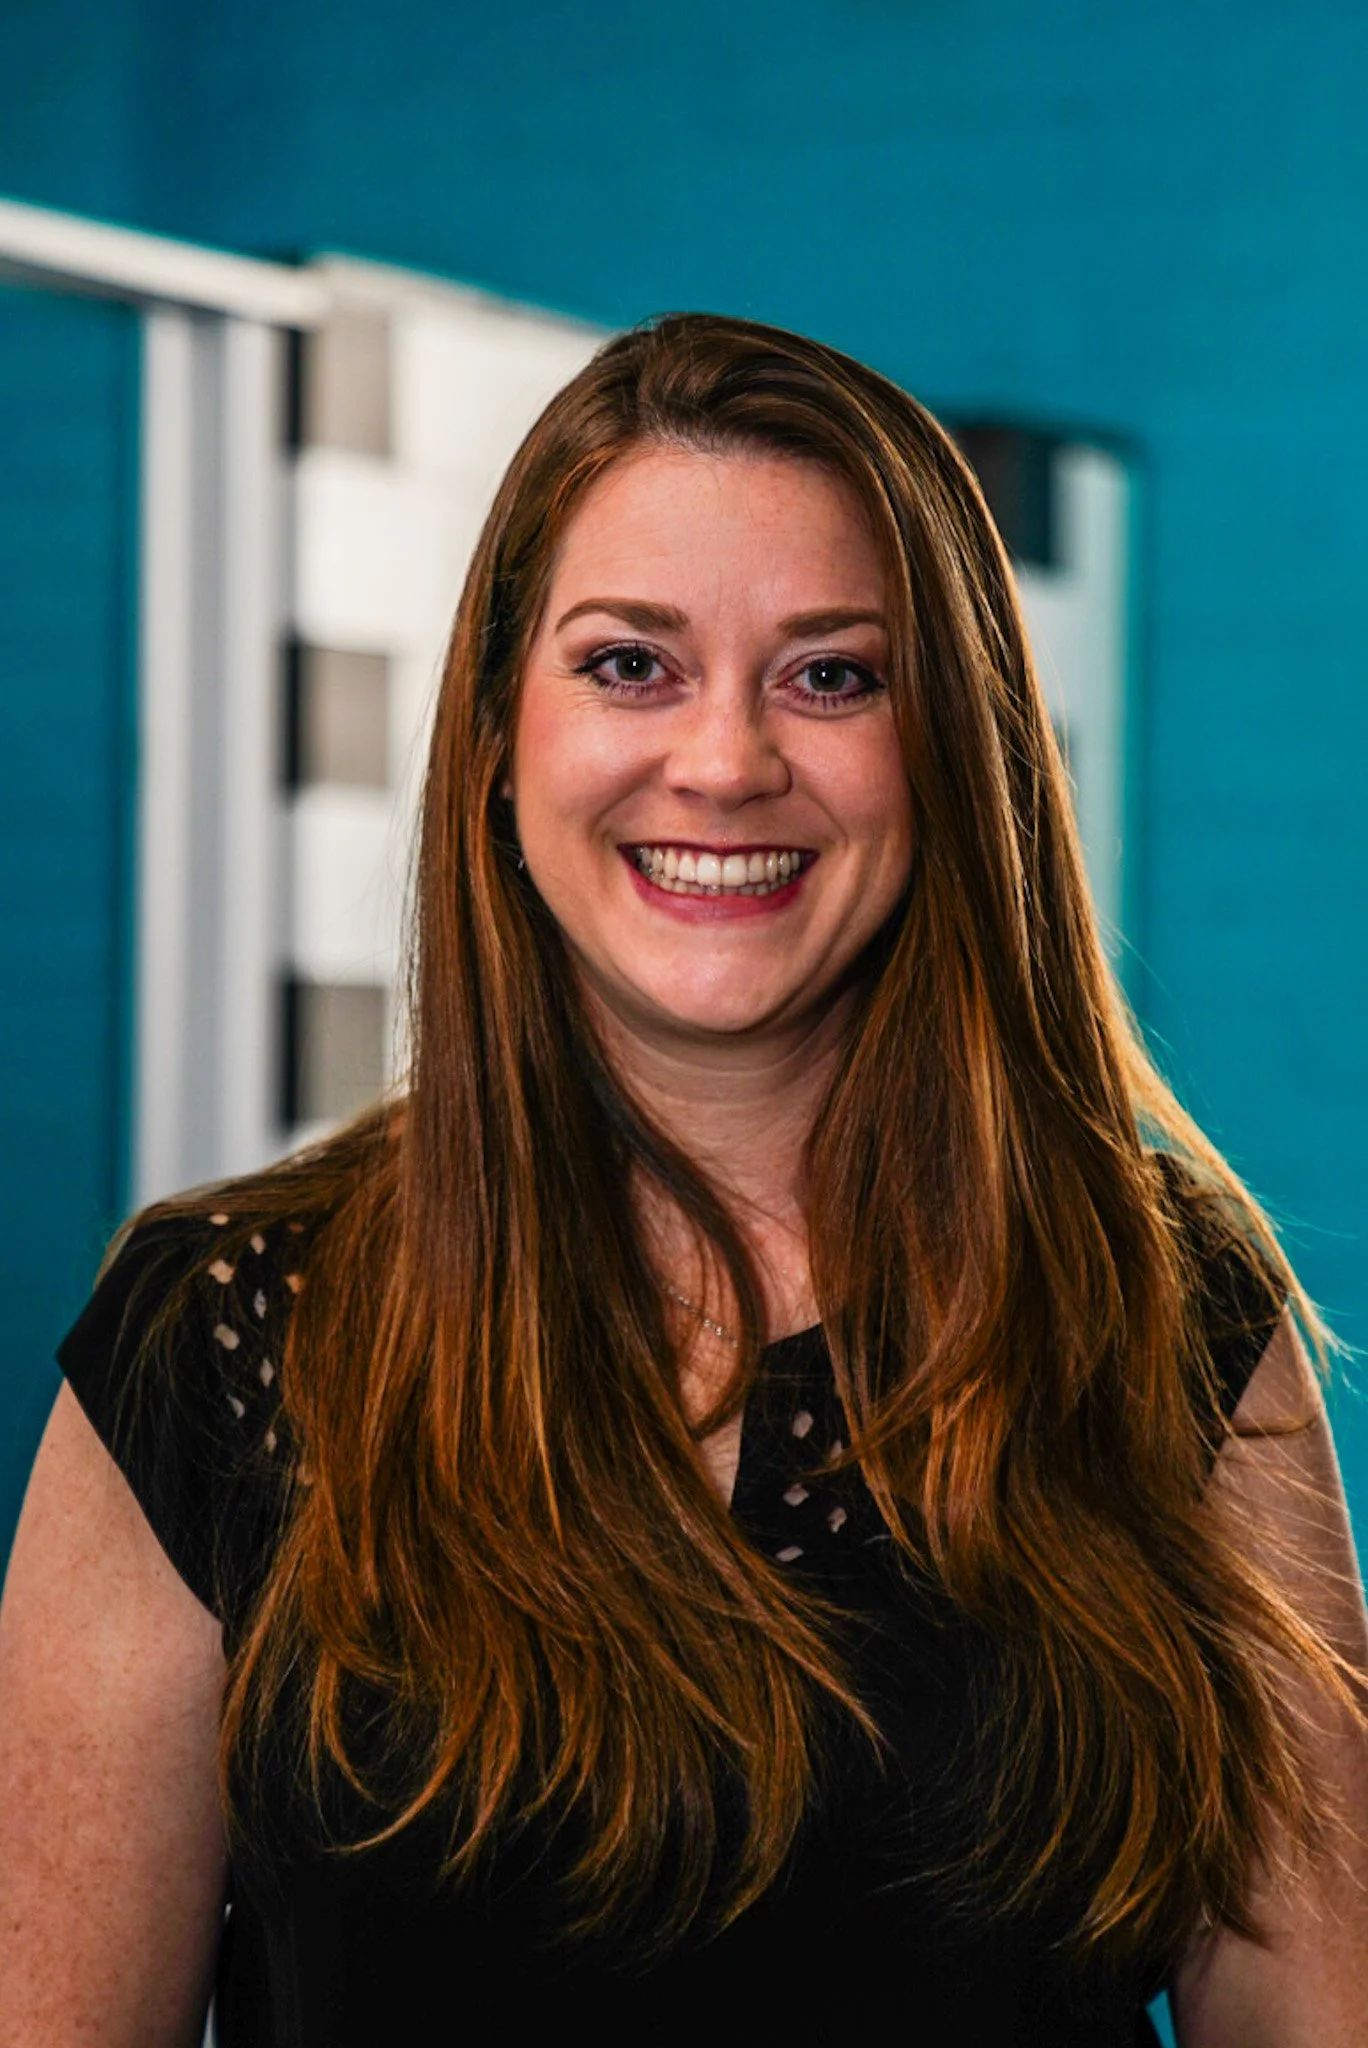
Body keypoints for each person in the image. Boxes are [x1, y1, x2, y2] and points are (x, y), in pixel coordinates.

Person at [1, 315, 1365, 2048]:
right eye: (631, 665)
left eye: (832, 675)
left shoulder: (1155, 1308)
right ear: (498, 737)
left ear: (955, 750)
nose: (725, 762)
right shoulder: (218, 1343)